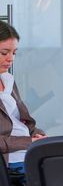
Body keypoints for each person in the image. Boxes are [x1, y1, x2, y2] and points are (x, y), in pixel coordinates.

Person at [0, 21, 46, 176]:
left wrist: (37, 135)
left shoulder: (8, 81)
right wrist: (28, 142)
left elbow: (22, 122)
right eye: (4, 53)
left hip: (26, 152)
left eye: (14, 53)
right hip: (10, 161)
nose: (10, 59)